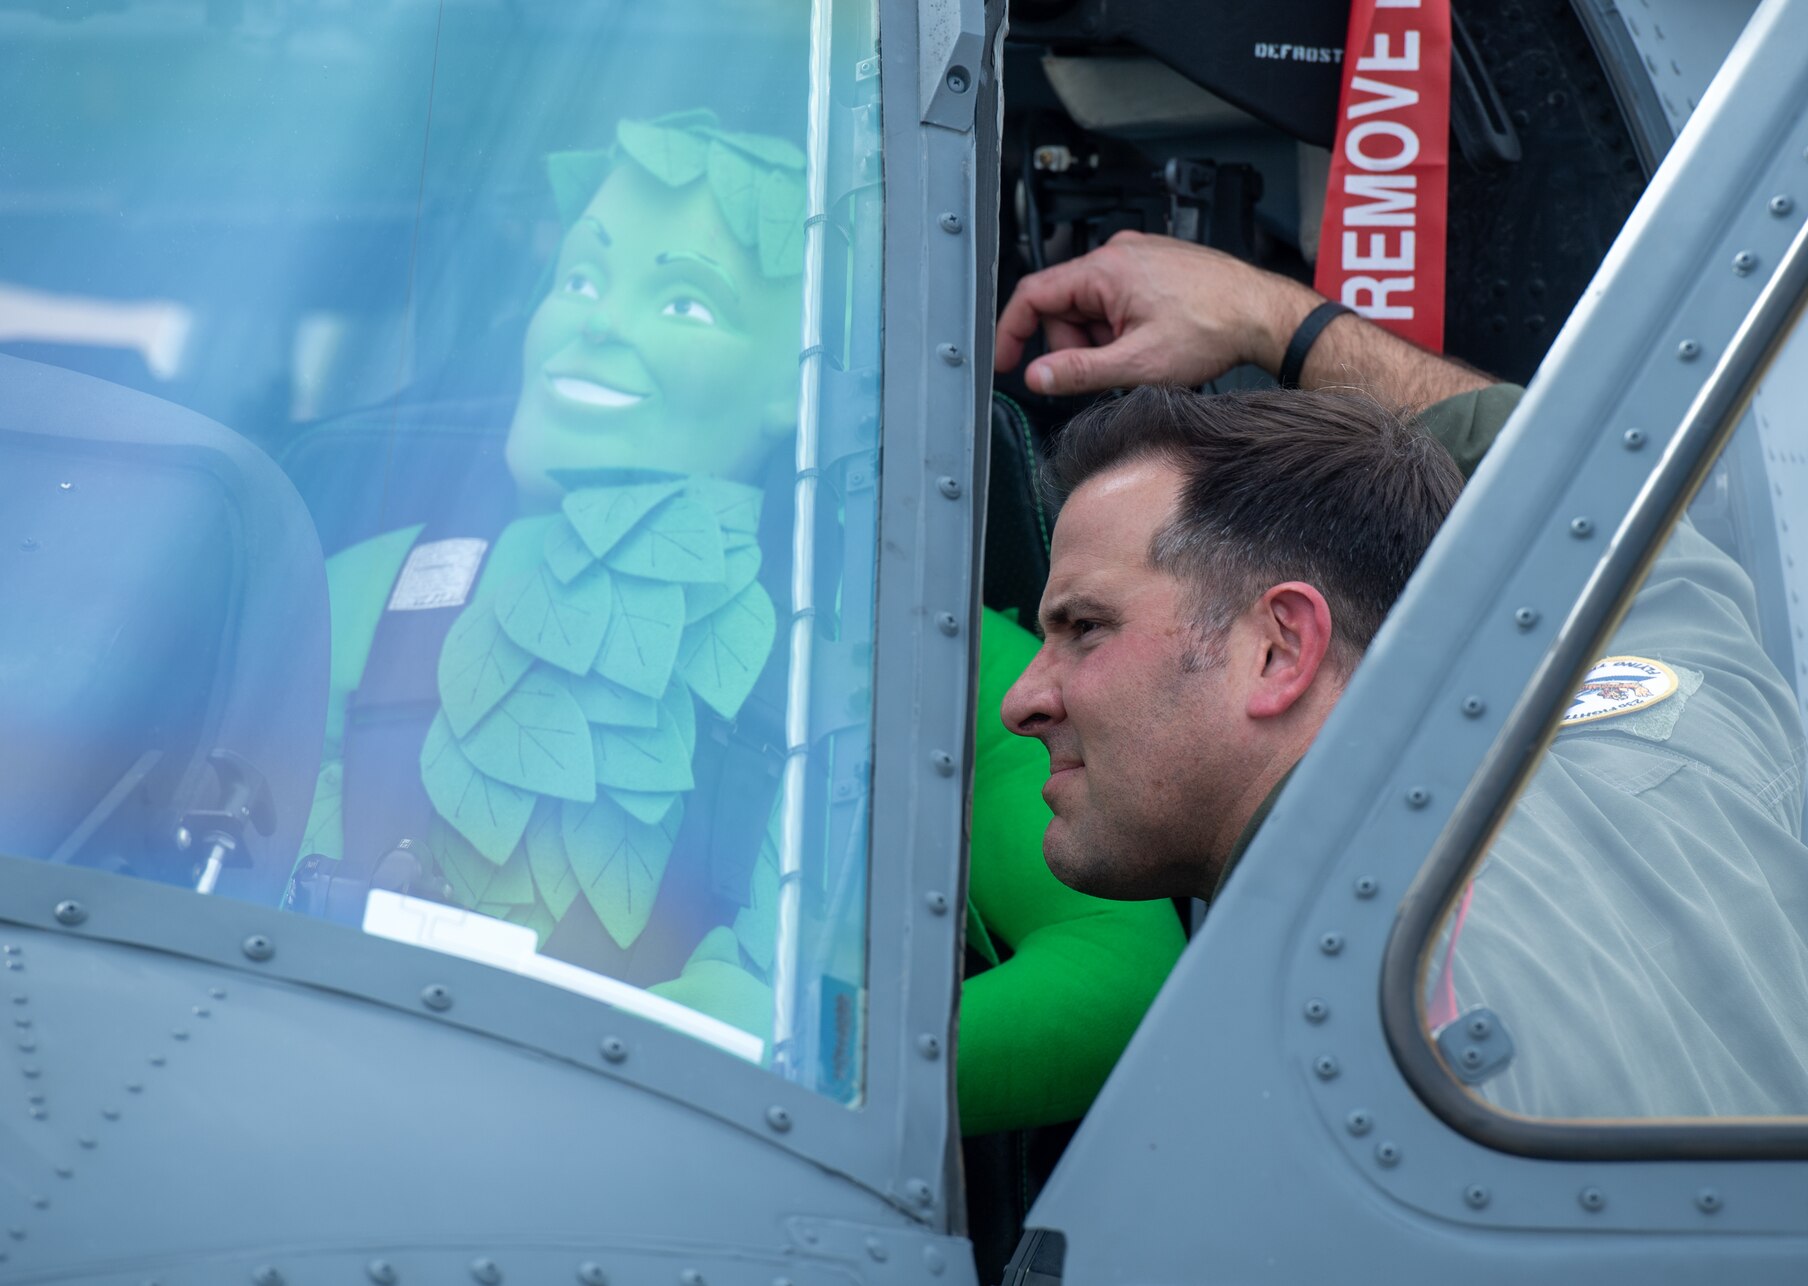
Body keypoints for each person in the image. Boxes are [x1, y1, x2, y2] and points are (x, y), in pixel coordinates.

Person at [290, 113, 1182, 1133]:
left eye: (682, 300)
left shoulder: (923, 645)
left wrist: (793, 1065)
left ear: (791, 380)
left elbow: (1116, 971)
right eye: (580, 280)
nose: (598, 324)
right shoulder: (361, 591)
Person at [994, 238, 1808, 1118]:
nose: (1022, 699)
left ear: (1280, 648)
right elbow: (1583, 497)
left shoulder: (1298, 1077)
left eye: (1085, 629)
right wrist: (1274, 319)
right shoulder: (1670, 762)